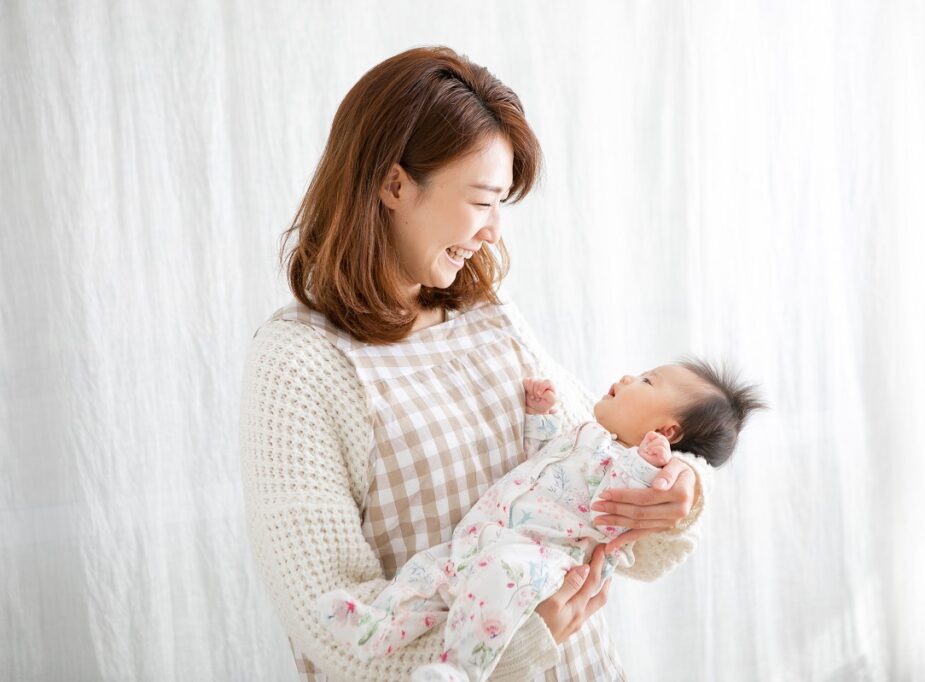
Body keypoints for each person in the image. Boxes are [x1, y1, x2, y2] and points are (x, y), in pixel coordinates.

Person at [239, 45, 709, 682]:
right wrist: (514, 647)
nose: (493, 232)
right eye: (483, 200)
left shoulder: (488, 313)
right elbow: (328, 624)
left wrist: (677, 490)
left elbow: (598, 470)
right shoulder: (299, 364)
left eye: (501, 205)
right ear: (393, 185)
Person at [317, 361, 764, 682]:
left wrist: (652, 466)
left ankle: (460, 669)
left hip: (538, 561)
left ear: (665, 433)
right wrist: (540, 416)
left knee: (495, 585)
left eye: (647, 381)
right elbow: (546, 461)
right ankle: (379, 627)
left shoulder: (637, 471)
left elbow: (625, 506)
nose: (628, 377)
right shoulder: (588, 435)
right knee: (427, 573)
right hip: (483, 537)